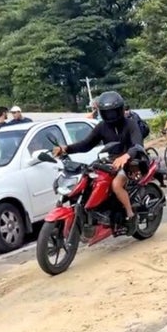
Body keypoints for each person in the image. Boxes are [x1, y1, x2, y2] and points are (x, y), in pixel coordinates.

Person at [51, 91, 144, 235]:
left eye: (113, 112)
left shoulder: (130, 124)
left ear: (120, 110)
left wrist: (126, 156)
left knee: (116, 185)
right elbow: (86, 144)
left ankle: (130, 216)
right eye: (107, 112)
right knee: (91, 180)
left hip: (133, 161)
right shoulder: (102, 127)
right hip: (112, 161)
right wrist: (66, 149)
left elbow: (138, 145)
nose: (111, 115)